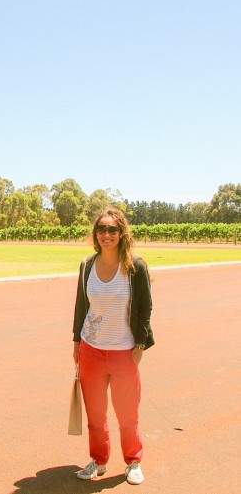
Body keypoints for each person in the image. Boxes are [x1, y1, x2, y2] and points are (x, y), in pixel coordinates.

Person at [72, 208, 154, 485]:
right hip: (91, 349)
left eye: (112, 230)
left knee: (127, 415)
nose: (107, 234)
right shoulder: (87, 265)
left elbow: (145, 308)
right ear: (95, 234)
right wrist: (76, 341)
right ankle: (99, 461)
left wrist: (140, 345)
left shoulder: (134, 266)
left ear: (122, 233)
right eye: (102, 230)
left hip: (123, 351)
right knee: (95, 416)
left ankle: (133, 462)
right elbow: (81, 305)